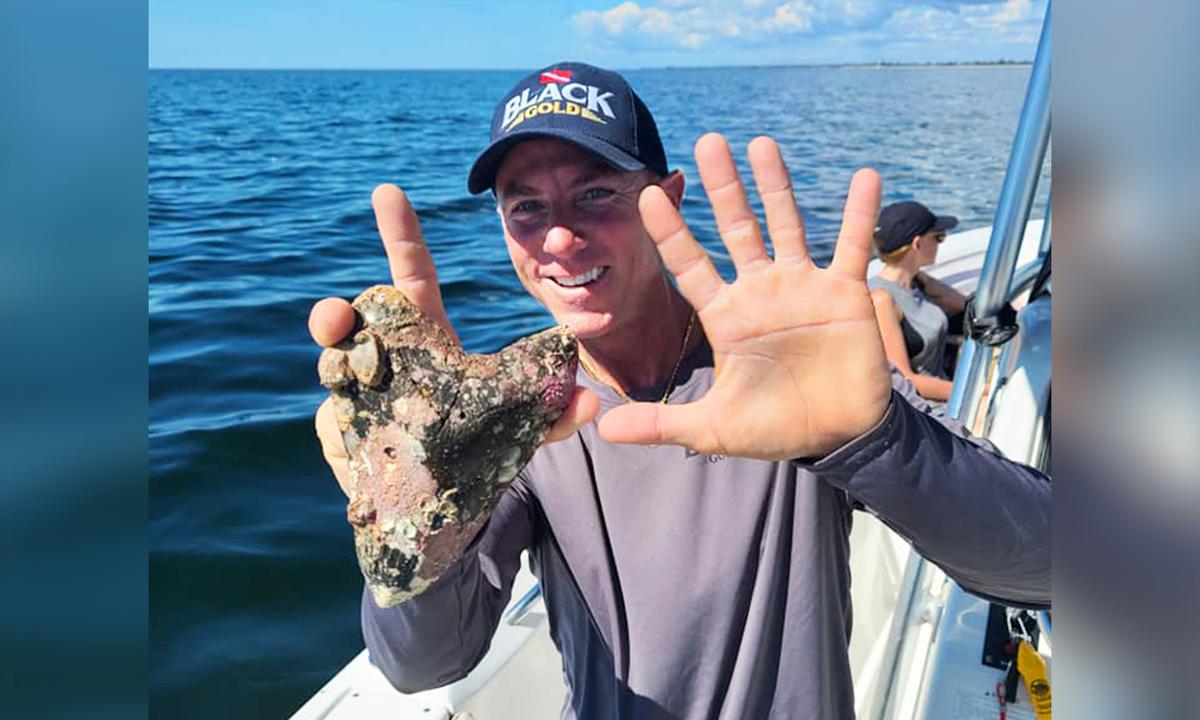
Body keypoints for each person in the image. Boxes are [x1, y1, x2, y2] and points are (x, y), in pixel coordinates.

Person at [308, 62, 1051, 719]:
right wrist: (408, 516)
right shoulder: (519, 418)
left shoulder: (784, 366)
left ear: (666, 199)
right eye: (525, 206)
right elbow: (424, 665)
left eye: (596, 192)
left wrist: (875, 442)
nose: (558, 238)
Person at [868, 201, 970, 402]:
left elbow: (971, 308)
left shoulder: (918, 284)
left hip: (946, 389)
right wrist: (975, 392)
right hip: (926, 406)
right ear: (917, 244)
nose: (940, 244)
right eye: (938, 237)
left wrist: (929, 282)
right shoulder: (881, 300)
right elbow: (904, 380)